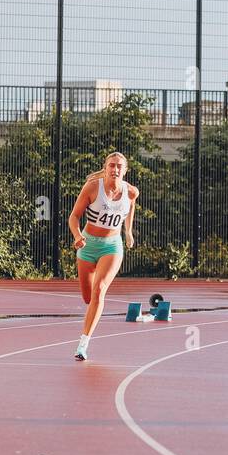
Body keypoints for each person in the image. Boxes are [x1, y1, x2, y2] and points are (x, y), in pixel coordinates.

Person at [67, 151, 137, 361]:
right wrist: (78, 236)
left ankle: (83, 344)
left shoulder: (131, 192)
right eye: (111, 165)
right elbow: (74, 217)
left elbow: (130, 207)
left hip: (112, 247)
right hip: (88, 246)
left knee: (99, 291)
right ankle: (92, 289)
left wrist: (128, 232)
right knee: (88, 297)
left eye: (119, 166)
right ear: (105, 168)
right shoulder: (92, 187)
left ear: (125, 170)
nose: (115, 169)